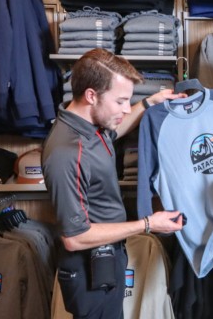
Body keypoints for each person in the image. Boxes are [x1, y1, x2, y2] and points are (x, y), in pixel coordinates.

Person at [42, 48, 185, 319]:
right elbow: (74, 238)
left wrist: (148, 104)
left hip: (106, 261)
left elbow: (113, 133)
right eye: (120, 101)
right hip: (88, 272)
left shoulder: (89, 127)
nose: (124, 109)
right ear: (91, 95)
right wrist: (148, 225)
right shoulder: (65, 152)